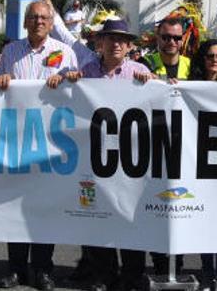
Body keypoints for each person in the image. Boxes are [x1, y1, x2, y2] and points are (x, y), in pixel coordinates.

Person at [0, 0, 78, 290]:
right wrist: (0, 78)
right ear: (26, 21)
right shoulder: (10, 51)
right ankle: (15, 270)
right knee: (15, 208)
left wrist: (67, 77)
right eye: (34, 17)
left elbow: (77, 88)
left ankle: (43, 270)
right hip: (17, 143)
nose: (39, 21)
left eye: (44, 17)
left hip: (51, 144)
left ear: (52, 23)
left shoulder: (65, 52)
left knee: (45, 208)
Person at [63, 19, 153, 291]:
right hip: (97, 157)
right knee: (98, 215)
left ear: (128, 46)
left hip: (130, 158)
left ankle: (132, 274)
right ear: (100, 43)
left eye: (121, 40)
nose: (115, 44)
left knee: (130, 216)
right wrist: (68, 81)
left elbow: (163, 100)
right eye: (110, 38)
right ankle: (104, 274)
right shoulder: (87, 71)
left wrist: (153, 83)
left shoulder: (140, 71)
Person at [190, 39, 217, 291]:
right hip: (198, 160)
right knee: (203, 218)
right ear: (202, 59)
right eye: (209, 56)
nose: (214, 60)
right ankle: (207, 271)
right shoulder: (192, 85)